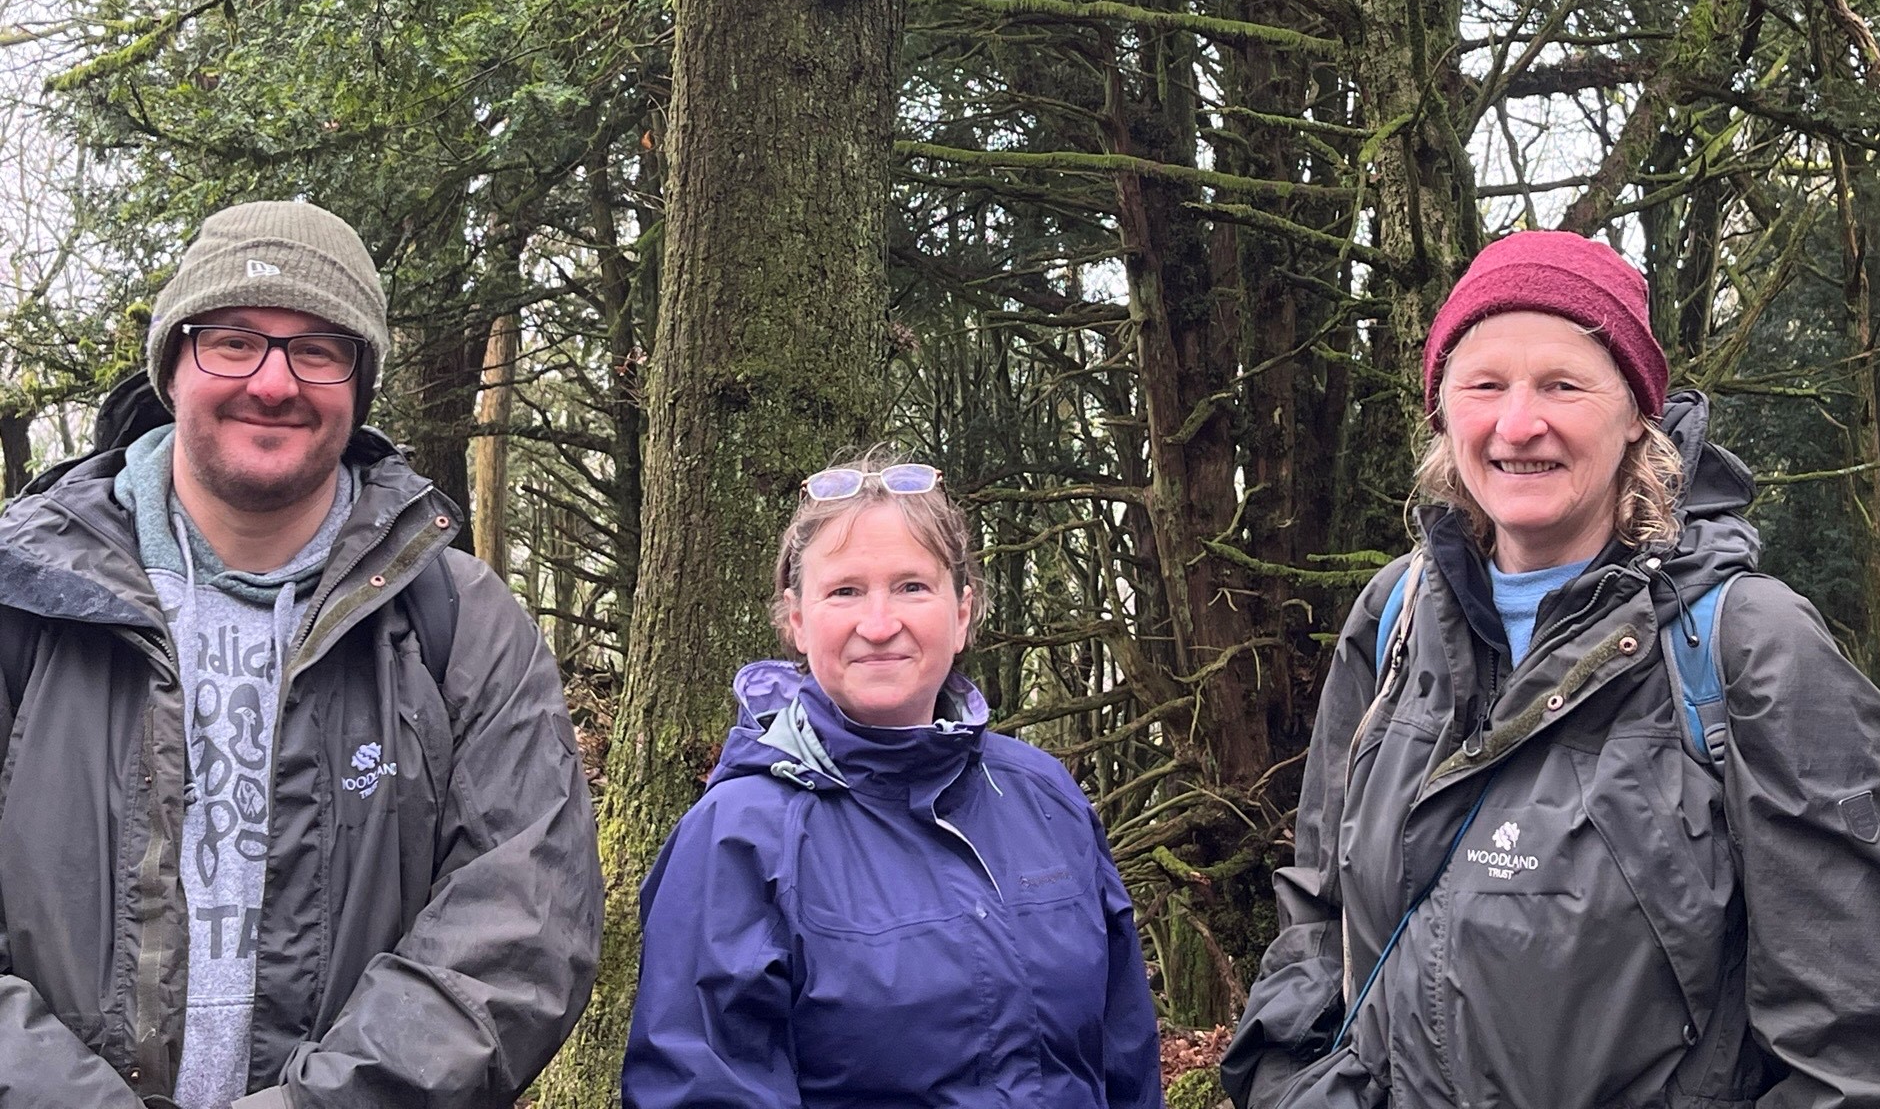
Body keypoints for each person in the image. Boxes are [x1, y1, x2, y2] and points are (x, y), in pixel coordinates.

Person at [1222, 230, 1880, 1109]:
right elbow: (1322, 915)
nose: (1518, 424)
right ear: (1443, 412)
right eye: (1484, 385)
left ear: (1636, 414)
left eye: (1562, 384)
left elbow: (1879, 1057)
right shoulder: (1394, 619)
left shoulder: (1749, 650)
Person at [0, 200, 603, 1109]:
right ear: (172, 365)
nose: (274, 382)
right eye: (232, 341)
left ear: (359, 383)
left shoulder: (459, 621)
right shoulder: (24, 598)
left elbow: (523, 922)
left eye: (319, 348)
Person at [622, 449, 1165, 1109]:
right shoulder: (737, 839)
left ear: (963, 612)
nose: (879, 626)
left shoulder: (1044, 796)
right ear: (796, 619)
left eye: (912, 586)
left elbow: (1126, 1060)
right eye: (845, 591)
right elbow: (701, 1090)